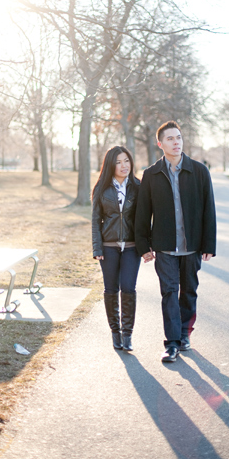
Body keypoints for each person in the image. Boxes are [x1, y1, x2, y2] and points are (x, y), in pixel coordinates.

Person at [135, 121, 217, 363]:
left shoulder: (200, 171)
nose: (176, 142)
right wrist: (144, 246)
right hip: (164, 246)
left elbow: (208, 210)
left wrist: (208, 244)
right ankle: (171, 343)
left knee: (189, 291)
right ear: (160, 144)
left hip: (192, 246)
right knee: (169, 292)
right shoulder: (151, 174)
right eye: (170, 138)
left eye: (179, 137)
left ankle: (184, 334)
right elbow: (142, 213)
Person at [92, 146, 142, 351]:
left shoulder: (138, 186)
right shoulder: (102, 189)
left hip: (132, 247)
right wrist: (97, 248)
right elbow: (95, 220)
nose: (124, 166)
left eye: (127, 161)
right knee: (111, 290)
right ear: (111, 165)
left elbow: (145, 217)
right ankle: (115, 332)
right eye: (119, 162)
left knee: (128, 289)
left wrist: (146, 245)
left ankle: (127, 334)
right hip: (108, 246)